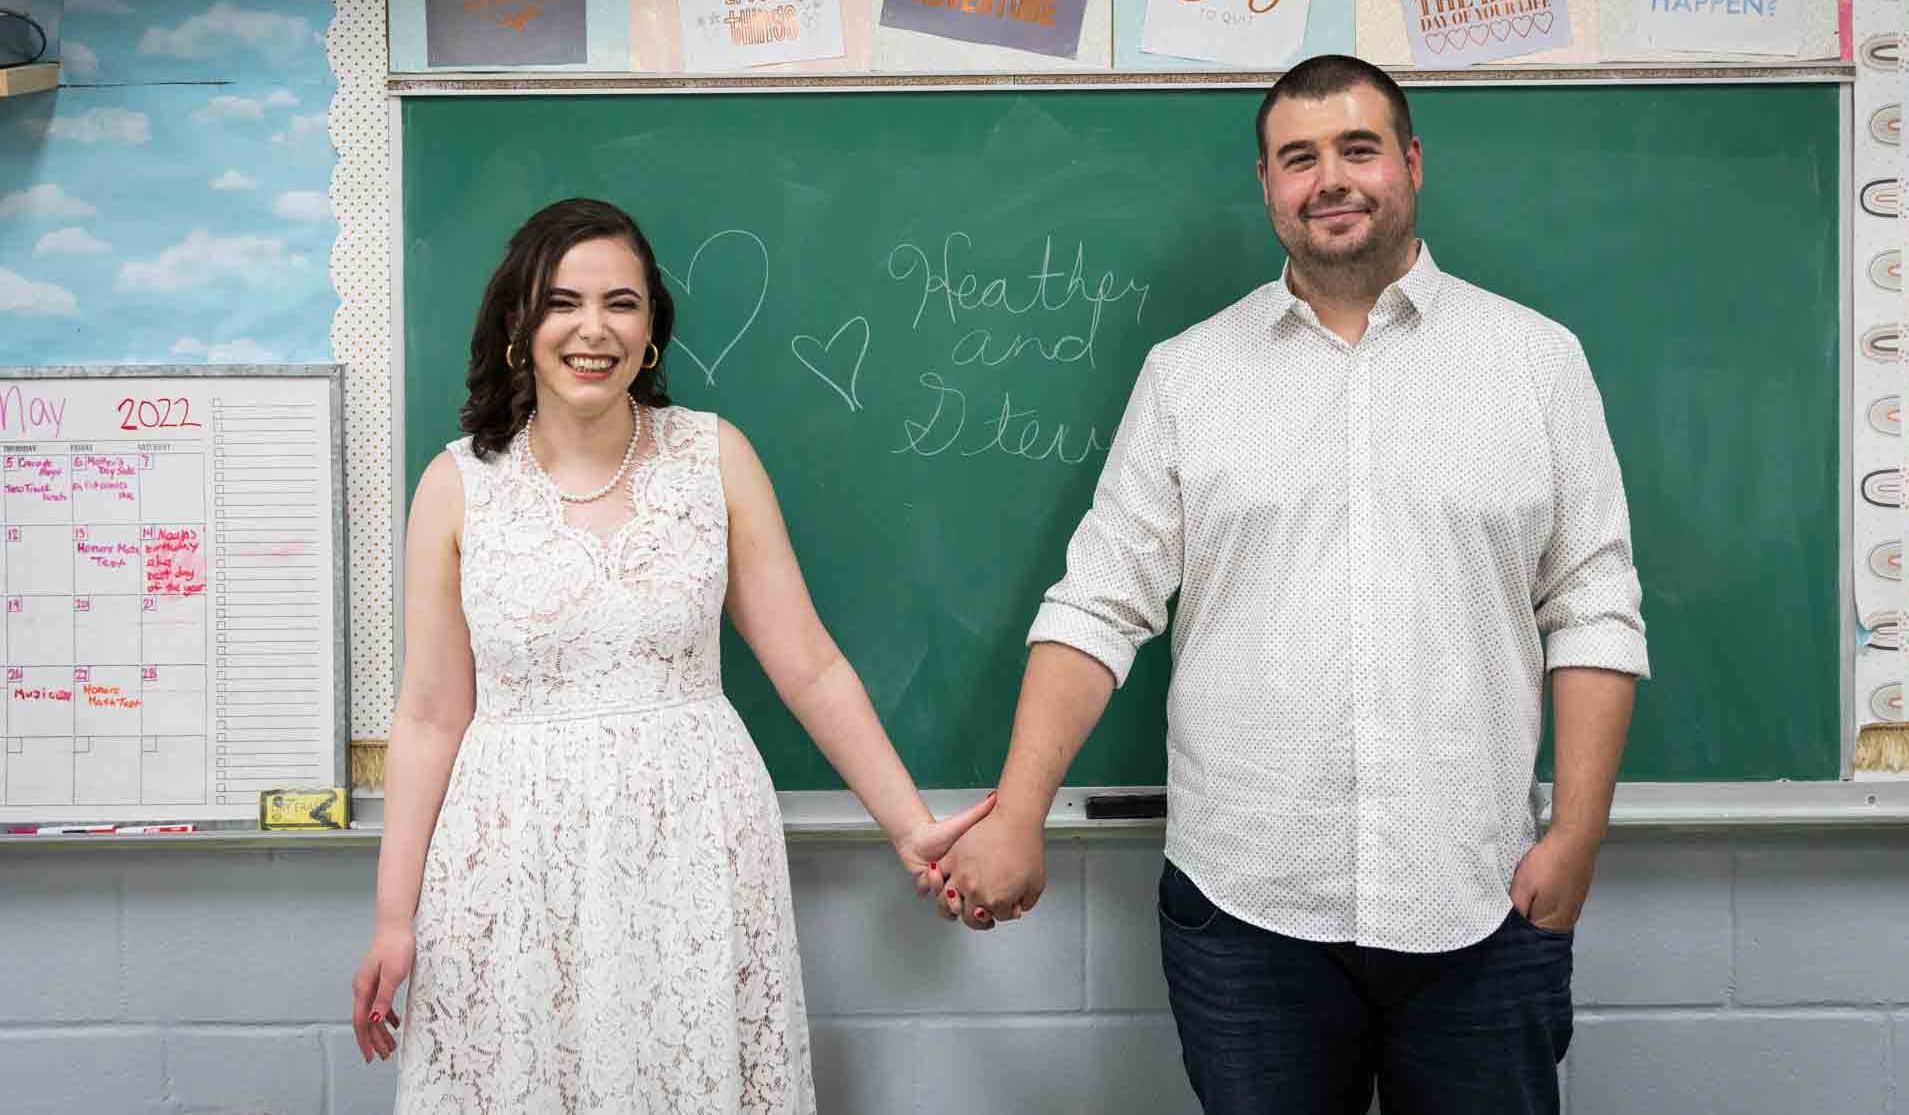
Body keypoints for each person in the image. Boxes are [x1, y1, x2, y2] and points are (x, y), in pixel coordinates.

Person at [933, 56, 1650, 1114]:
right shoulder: (1188, 374)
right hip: (1246, 910)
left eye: (1357, 148)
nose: (1330, 179)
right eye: (1296, 157)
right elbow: (1099, 600)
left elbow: (1590, 605)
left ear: (1409, 163)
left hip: (1477, 896)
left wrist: (1577, 835)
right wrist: (1017, 809)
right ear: (1266, 185)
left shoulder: (1534, 364)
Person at [350, 198, 988, 1113]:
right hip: (511, 854)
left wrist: (909, 824)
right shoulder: (457, 487)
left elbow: (808, 664)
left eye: (622, 303)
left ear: (651, 330)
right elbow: (428, 715)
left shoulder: (713, 457)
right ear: (517, 325)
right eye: (562, 302)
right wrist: (392, 915)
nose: (592, 329)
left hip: (690, 839)